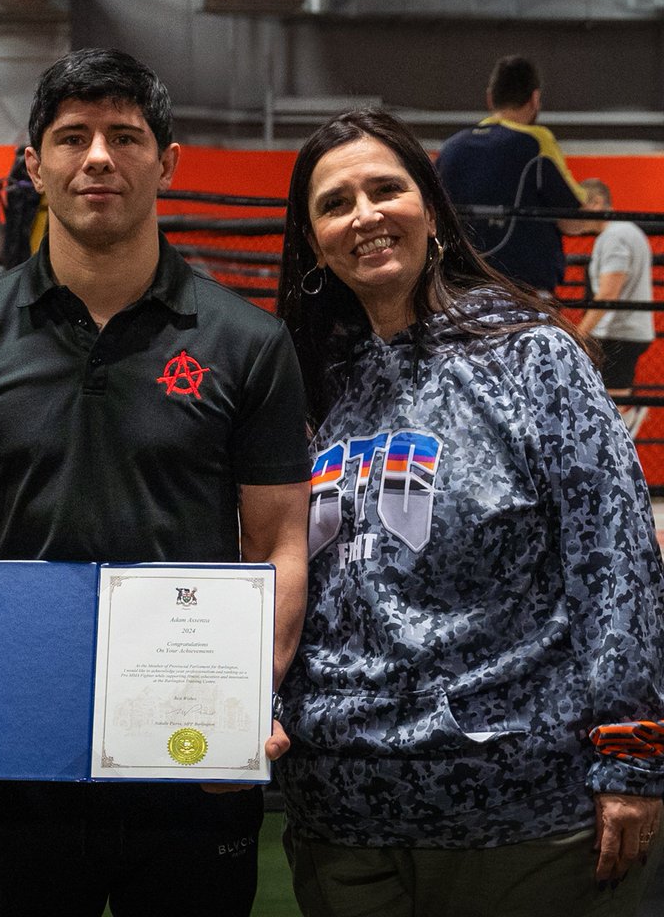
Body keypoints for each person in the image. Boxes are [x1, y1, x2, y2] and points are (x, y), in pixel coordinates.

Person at [0, 47, 310, 917]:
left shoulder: (249, 343)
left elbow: (278, 543)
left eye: (125, 136)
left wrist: (248, 701)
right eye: (71, 136)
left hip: (188, 754)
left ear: (167, 162)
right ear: (34, 162)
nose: (97, 158)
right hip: (14, 749)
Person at [275, 108, 664, 917]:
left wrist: (632, 753)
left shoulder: (529, 355)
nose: (366, 215)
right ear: (314, 242)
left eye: (387, 189)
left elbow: (616, 558)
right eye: (336, 202)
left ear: (432, 209)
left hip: (518, 817)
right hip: (342, 819)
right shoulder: (317, 383)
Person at [436, 54, 586, 293]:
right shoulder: (536, 142)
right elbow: (573, 221)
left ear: (490, 98)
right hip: (523, 289)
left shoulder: (451, 147)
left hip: (459, 287)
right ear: (534, 98)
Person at [578, 177, 656, 433]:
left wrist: (578, 334)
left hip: (618, 332)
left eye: (581, 204)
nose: (576, 212)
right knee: (609, 403)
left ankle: (626, 423)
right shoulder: (625, 231)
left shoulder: (614, 236)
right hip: (625, 331)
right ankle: (627, 419)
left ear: (597, 202)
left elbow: (609, 293)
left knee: (609, 409)